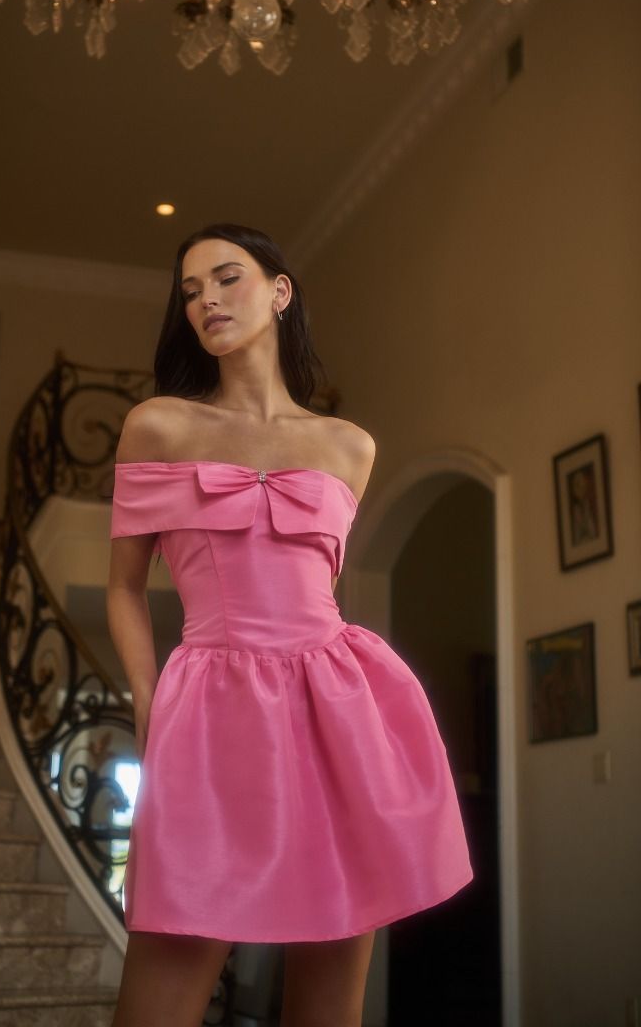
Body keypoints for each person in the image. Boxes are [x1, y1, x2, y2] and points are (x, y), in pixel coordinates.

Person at [106, 223, 473, 1027]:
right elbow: (124, 591)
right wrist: (147, 700)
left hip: (342, 712)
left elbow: (315, 592)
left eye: (226, 278)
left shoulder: (350, 446)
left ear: (279, 292)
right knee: (160, 993)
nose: (206, 300)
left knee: (331, 1000)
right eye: (192, 290)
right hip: (212, 712)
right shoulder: (157, 427)